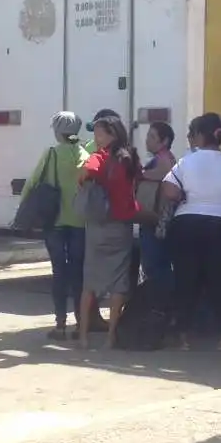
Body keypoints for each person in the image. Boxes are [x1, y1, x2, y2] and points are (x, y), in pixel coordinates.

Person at [163, 114, 221, 350]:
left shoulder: (186, 161)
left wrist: (184, 197)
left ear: (200, 135)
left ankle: (184, 336)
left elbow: (168, 189)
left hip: (187, 224)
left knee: (186, 280)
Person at [20, 111, 90, 340]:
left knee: (59, 273)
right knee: (79, 274)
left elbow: (32, 183)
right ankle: (81, 325)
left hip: (55, 222)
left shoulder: (51, 154)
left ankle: (60, 325)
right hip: (80, 222)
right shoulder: (85, 153)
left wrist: (22, 212)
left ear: (58, 131)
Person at [78, 114, 141, 349]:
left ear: (111, 134)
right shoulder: (130, 157)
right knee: (118, 283)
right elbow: (139, 182)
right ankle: (111, 336)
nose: (96, 138)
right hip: (122, 226)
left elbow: (85, 173)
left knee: (90, 283)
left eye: (99, 133)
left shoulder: (99, 157)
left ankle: (84, 337)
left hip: (98, 226)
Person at [139, 121, 177, 292]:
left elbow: (166, 173)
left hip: (156, 220)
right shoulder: (161, 157)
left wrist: (140, 174)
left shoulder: (164, 158)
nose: (148, 140)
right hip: (156, 219)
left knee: (155, 265)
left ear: (164, 141)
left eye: (152, 137)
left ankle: (162, 303)